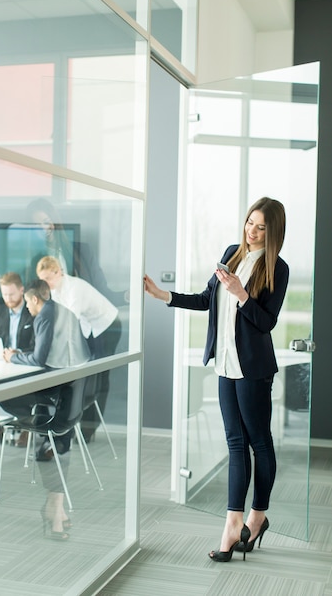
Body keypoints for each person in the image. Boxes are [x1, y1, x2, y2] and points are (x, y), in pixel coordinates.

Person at [144, 196, 289, 563]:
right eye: (249, 222)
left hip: (253, 370)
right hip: (225, 365)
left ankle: (257, 516)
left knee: (259, 442)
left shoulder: (278, 268)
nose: (252, 231)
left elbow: (266, 322)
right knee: (235, 445)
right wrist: (164, 295)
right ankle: (232, 524)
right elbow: (207, 298)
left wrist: (242, 294)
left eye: (261, 227)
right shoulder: (232, 253)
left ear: (273, 233)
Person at [1, 278, 91, 456]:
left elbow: (38, 360)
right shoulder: (59, 309)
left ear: (35, 299)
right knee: (35, 390)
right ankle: (52, 441)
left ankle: (42, 431)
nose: (26, 307)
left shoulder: (43, 316)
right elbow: (46, 350)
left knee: (7, 397)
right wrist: (20, 354)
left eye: (27, 301)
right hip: (75, 382)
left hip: (60, 384)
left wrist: (13, 358)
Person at [36, 255, 122, 442]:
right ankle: (74, 425)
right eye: (42, 280)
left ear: (59, 272)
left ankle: (87, 430)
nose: (45, 283)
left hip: (107, 326)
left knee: (98, 378)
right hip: (89, 327)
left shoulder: (74, 288)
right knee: (84, 374)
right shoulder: (53, 290)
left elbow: (68, 322)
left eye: (48, 279)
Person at [0, 272, 35, 446]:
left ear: (21, 290)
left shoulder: (31, 310)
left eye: (11, 294)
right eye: (4, 294)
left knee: (10, 395)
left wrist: (17, 353)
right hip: (3, 363)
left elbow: (36, 345)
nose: (8, 299)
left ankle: (28, 427)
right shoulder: (1, 310)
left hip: (25, 364)